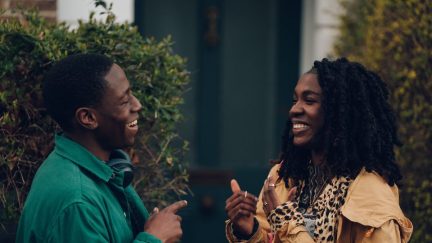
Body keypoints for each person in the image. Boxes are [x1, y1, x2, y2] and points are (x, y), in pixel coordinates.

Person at [225, 58, 413, 242]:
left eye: (309, 101)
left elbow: (285, 227)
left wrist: (286, 222)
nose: (294, 110)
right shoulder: (284, 178)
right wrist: (250, 231)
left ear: (338, 113)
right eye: (295, 100)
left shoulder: (370, 195)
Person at [16, 53, 187, 243]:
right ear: (88, 118)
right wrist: (155, 238)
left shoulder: (103, 169)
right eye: (124, 101)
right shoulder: (77, 203)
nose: (137, 105)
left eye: (132, 94)